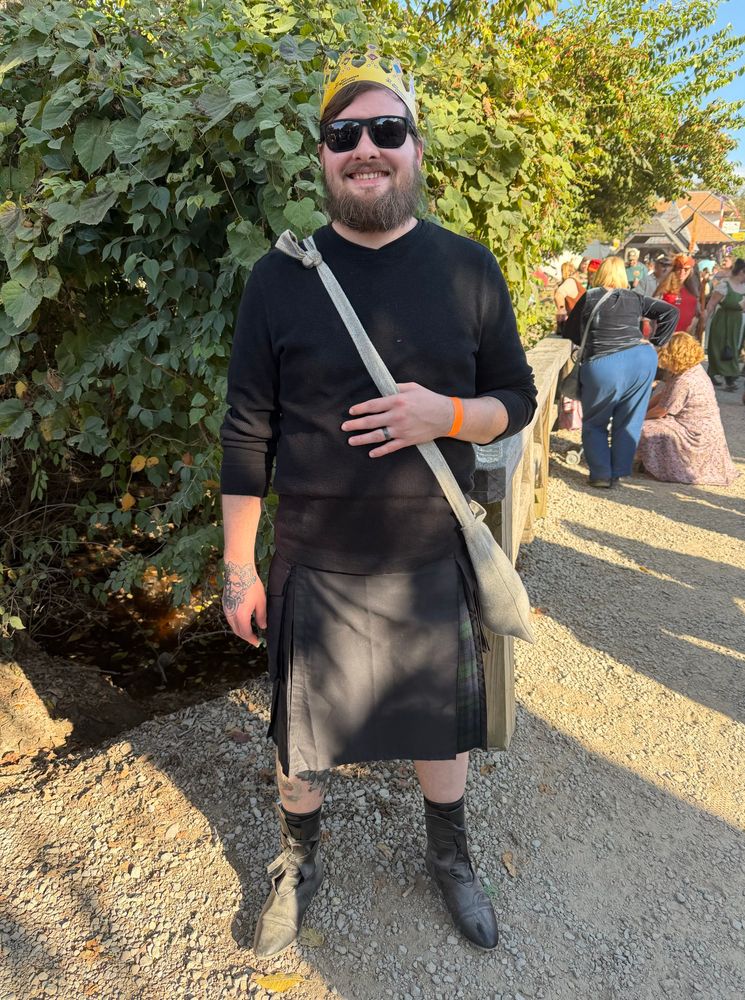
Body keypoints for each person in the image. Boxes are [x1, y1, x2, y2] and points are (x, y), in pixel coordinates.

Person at [219, 47, 537, 958]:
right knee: (301, 743)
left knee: (442, 727)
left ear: (415, 149)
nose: (366, 149)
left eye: (385, 131)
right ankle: (298, 858)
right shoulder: (280, 278)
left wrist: (446, 413)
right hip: (314, 556)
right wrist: (239, 567)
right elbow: (248, 431)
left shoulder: (469, 269)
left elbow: (516, 399)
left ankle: (450, 854)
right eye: (344, 135)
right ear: (322, 156)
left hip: (430, 551)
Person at [564, 256, 678, 488]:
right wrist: (655, 342)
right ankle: (618, 472)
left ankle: (601, 474)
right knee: (630, 419)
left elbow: (571, 332)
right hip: (641, 359)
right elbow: (670, 313)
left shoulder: (590, 296)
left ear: (601, 274)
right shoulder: (635, 297)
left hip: (604, 363)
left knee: (596, 421)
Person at [636, 333, 738, 485]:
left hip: (695, 434)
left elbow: (661, 411)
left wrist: (636, 419)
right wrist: (642, 408)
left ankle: (660, 466)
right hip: (700, 428)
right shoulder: (693, 369)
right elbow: (665, 394)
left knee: (645, 428)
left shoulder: (685, 381)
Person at [704, 258, 745, 391]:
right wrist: (705, 320)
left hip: (739, 321)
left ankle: (726, 376)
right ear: (743, 272)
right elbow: (711, 304)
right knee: (718, 347)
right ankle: (724, 377)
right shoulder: (724, 285)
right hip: (722, 320)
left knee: (734, 348)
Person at [654, 254, 702, 336]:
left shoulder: (693, 291)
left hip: (685, 337)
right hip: (666, 335)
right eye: (679, 269)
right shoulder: (664, 288)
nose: (682, 272)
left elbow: (697, 313)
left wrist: (697, 321)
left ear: (690, 271)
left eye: (686, 269)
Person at [554, 260, 585, 333]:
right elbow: (558, 295)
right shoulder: (570, 281)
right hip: (575, 325)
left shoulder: (571, 282)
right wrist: (562, 312)